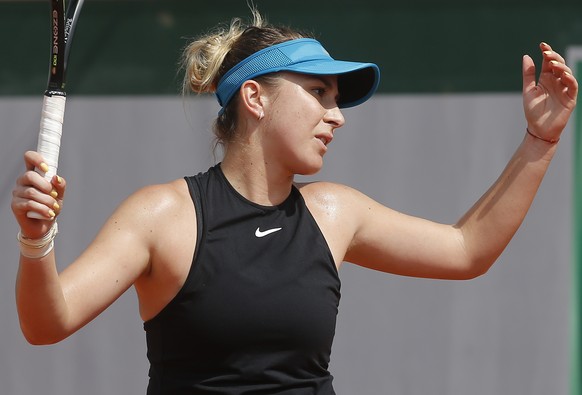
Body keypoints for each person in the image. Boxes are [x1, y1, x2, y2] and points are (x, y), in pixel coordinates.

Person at [11, 9, 578, 395]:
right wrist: (37, 240)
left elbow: (467, 250)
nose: (336, 114)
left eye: (337, 99)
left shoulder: (336, 213)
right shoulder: (162, 215)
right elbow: (46, 323)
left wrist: (541, 139)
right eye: (318, 93)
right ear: (254, 98)